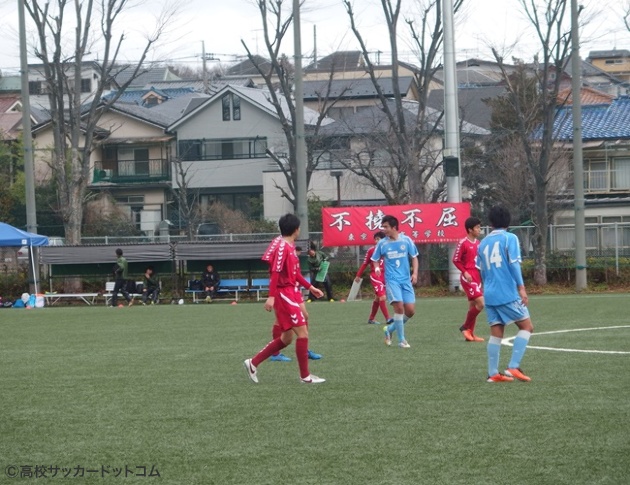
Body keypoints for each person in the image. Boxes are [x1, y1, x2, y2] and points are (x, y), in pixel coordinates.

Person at [244, 213, 326, 384]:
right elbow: (275, 272)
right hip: (283, 294)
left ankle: (253, 363)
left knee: (286, 338)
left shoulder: (288, 245)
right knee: (302, 333)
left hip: (288, 292)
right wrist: (271, 297)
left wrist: (310, 287)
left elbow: (294, 273)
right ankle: (305, 377)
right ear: (296, 229)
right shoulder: (283, 247)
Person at [477, 205, 534, 383]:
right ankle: (513, 366)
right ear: (508, 221)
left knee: (496, 332)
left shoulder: (483, 242)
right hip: (506, 292)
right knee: (527, 327)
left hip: (490, 293)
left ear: (491, 222)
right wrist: (521, 288)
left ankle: (493, 373)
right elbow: (514, 264)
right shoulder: (510, 238)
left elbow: (482, 270)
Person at [268, 245, 322, 362]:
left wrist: (310, 287)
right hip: (283, 291)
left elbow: (297, 275)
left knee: (305, 315)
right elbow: (274, 275)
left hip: (293, 290)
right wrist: (271, 296)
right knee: (280, 321)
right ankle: (275, 354)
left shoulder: (294, 258)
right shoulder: (281, 253)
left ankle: (305, 350)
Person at [372, 215, 418, 349]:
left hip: (406, 280)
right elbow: (375, 259)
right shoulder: (382, 243)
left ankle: (389, 329)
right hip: (392, 281)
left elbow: (414, 257)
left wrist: (414, 273)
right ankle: (402, 340)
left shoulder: (406, 240)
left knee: (410, 311)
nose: (383, 229)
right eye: (383, 227)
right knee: (399, 307)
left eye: (386, 227)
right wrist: (376, 268)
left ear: (394, 227)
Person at [453, 217, 485, 342]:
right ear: (470, 229)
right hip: (468, 277)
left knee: (473, 306)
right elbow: (456, 260)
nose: (479, 230)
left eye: (479, 227)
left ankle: (470, 334)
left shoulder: (478, 244)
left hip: (476, 276)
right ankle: (465, 327)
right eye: (477, 227)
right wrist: (465, 272)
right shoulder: (463, 243)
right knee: (481, 303)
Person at [355, 231, 393, 325]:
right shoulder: (371, 250)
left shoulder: (388, 250)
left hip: (385, 277)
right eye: (375, 239)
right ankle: (388, 318)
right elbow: (365, 263)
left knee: (377, 298)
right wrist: (358, 275)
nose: (376, 241)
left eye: (378, 239)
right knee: (383, 297)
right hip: (376, 277)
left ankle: (371, 319)